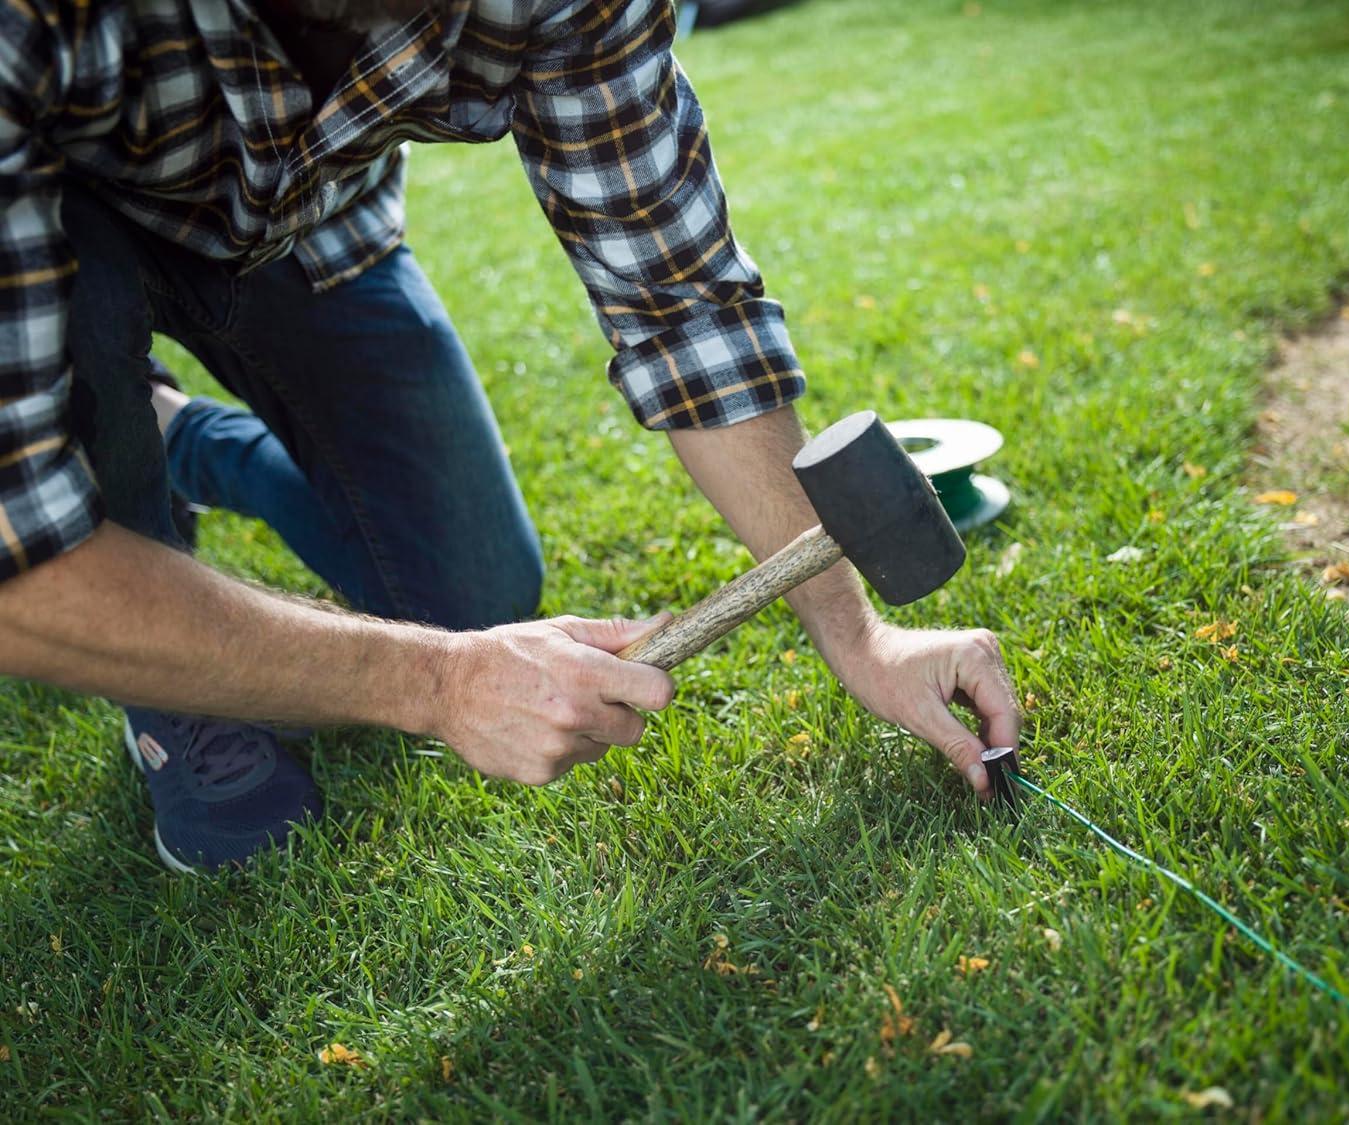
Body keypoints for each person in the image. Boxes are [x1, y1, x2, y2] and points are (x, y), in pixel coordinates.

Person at [0, 0, 1019, 873]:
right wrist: (438, 683)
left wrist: (860, 634)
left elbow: (682, 310)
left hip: (308, 226)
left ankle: (184, 442)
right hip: (51, 250)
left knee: (466, 596)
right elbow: (14, 573)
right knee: (80, 380)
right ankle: (151, 610)